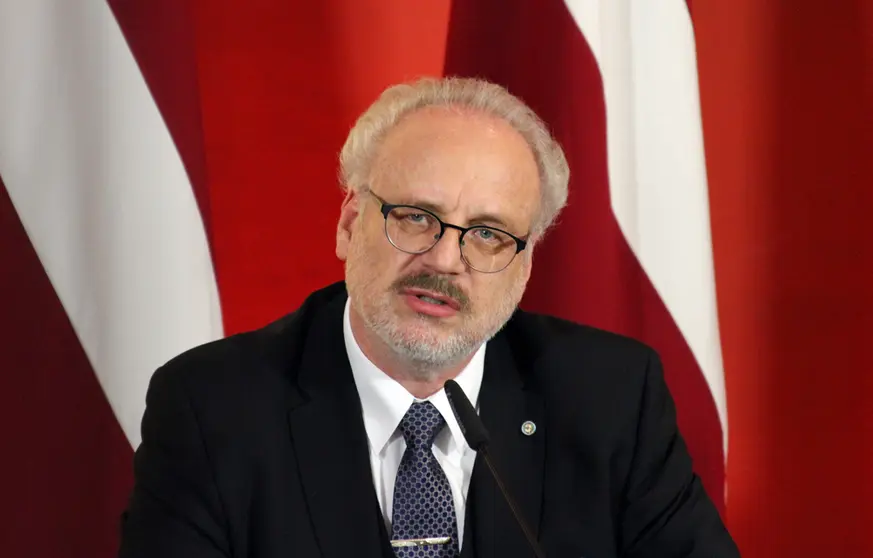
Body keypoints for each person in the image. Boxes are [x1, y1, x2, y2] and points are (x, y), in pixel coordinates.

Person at [118, 76, 739, 558]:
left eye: (490, 234)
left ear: (523, 267)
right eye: (415, 216)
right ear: (349, 223)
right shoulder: (213, 408)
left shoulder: (609, 398)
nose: (445, 260)